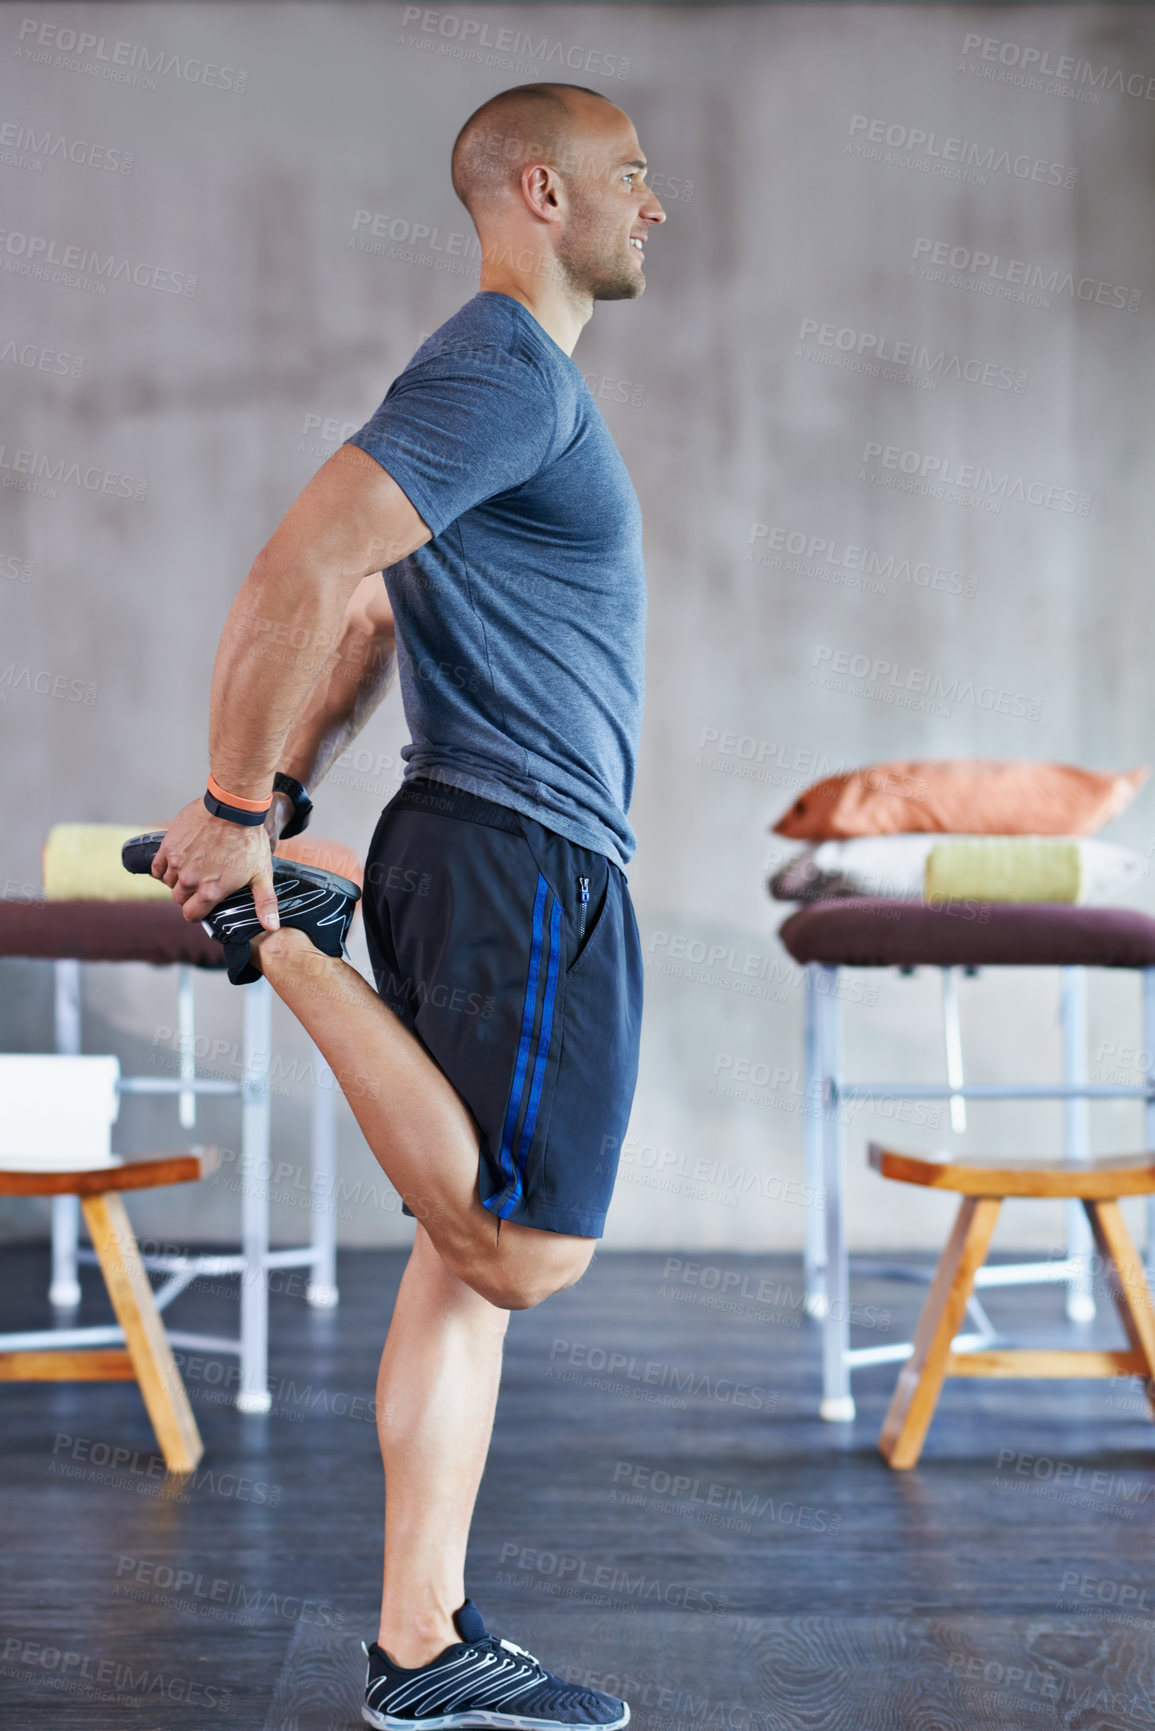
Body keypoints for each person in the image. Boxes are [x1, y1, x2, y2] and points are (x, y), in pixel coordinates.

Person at [150, 81, 665, 1730]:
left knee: (459, 1267)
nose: (655, 207)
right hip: (521, 854)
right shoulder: (505, 365)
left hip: (492, 842)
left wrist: (282, 795)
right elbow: (301, 569)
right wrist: (240, 822)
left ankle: (420, 1647)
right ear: (543, 189)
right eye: (632, 179)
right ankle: (282, 933)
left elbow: (369, 618)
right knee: (523, 1256)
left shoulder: (508, 388)